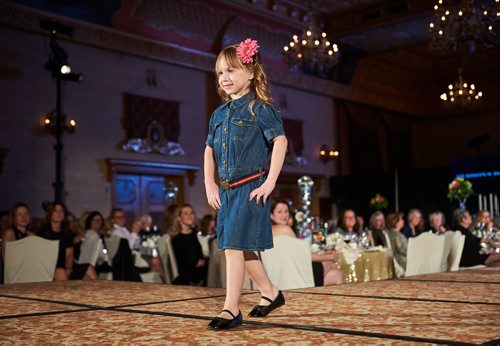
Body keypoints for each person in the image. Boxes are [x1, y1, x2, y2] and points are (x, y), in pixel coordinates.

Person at [204, 38, 288, 330]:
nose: (224, 78)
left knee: (233, 246)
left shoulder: (259, 108)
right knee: (241, 246)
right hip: (226, 191)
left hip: (249, 188)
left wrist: (270, 183)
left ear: (251, 72)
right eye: (220, 73)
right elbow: (209, 150)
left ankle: (230, 308)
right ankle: (271, 293)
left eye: (231, 71)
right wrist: (209, 184)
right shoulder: (218, 114)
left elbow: (280, 140)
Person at [271, 199, 343, 286]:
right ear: (271, 215)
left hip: (285, 273)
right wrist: (329, 256)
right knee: (331, 260)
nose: (284, 215)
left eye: (286, 211)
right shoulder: (285, 230)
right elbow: (304, 256)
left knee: (337, 274)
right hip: (295, 274)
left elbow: (296, 253)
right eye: (279, 212)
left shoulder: (271, 230)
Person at [37, 202, 96, 280]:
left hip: (66, 265)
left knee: (89, 269)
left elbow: (69, 254)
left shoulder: (66, 233)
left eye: (61, 211)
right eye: (55, 211)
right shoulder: (43, 233)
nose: (59, 213)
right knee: (61, 272)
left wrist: (68, 268)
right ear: (50, 214)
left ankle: (98, 291)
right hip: (50, 267)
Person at [169, 204, 206, 285]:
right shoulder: (176, 239)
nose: (190, 216)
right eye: (186, 213)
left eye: (192, 213)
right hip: (187, 280)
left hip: (199, 275)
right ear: (179, 218)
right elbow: (191, 262)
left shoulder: (194, 234)